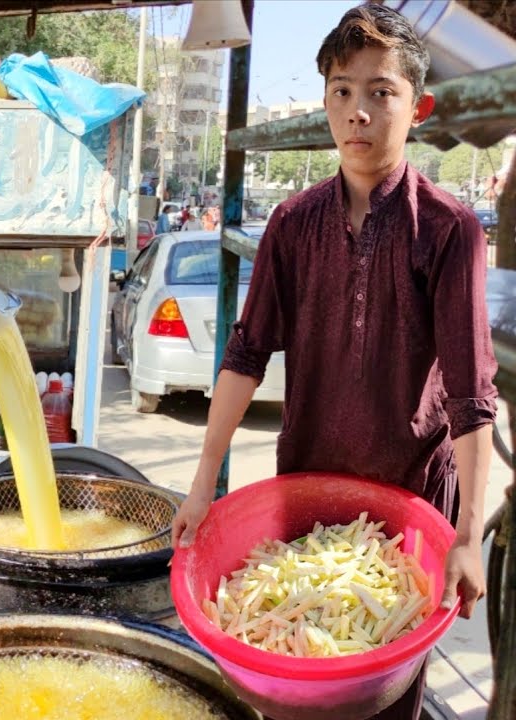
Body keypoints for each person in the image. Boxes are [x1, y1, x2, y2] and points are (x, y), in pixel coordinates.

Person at [172, 5, 494, 718]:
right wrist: (201, 486)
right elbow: (245, 354)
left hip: (409, 514)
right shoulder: (292, 223)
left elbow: (473, 394)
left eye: (382, 93)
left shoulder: (448, 229)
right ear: (324, 102)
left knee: (387, 698)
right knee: (294, 680)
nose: (359, 114)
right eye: (342, 92)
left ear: (419, 107)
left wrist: (468, 536)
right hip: (305, 504)